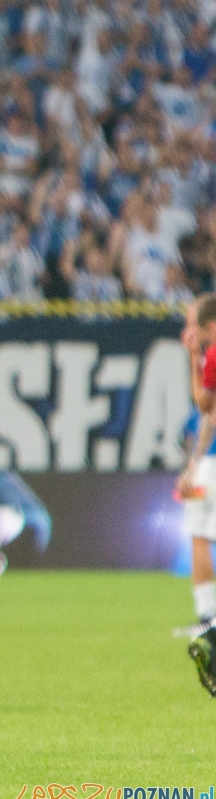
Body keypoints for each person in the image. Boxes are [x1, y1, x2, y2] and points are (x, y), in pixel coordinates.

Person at [180, 294, 216, 692]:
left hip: (215, 464)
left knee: (199, 534)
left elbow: (205, 404)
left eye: (192, 323)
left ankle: (208, 616)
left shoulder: (213, 355)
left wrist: (192, 358)